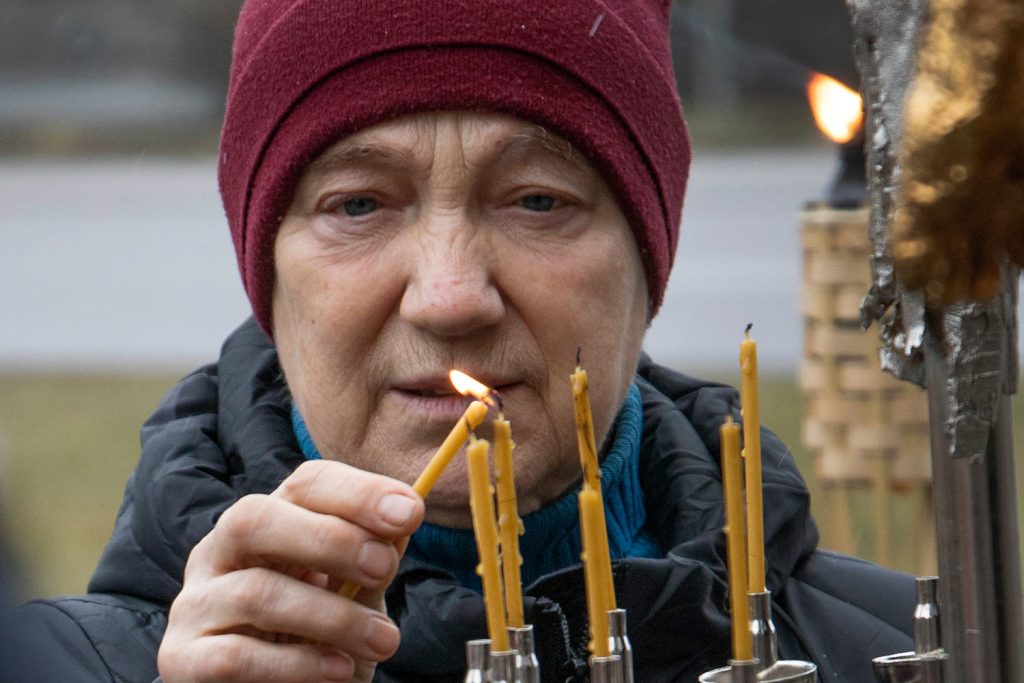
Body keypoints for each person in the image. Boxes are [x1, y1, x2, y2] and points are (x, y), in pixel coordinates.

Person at [2, 1, 915, 681]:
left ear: (648, 264)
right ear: (268, 279)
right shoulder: (61, 662)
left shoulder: (892, 648)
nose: (449, 298)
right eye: (358, 204)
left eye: (538, 200)